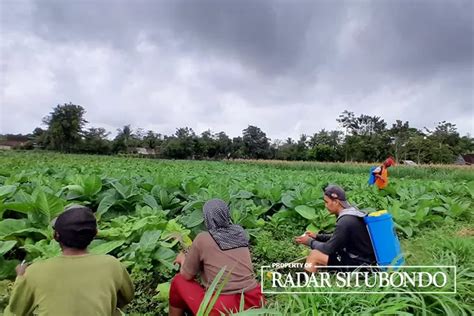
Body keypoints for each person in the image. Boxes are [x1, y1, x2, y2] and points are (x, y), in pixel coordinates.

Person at [5, 206, 134, 316]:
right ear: (95, 234)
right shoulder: (112, 265)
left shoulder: (34, 271)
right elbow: (127, 297)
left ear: (55, 236)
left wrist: (20, 278)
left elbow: (16, 311)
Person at [169, 199, 264, 316]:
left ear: (206, 218)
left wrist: (183, 259)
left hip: (223, 307)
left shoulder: (203, 238)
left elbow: (187, 275)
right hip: (254, 300)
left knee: (179, 281)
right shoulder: (240, 233)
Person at [295, 185, 376, 273]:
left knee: (314, 255)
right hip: (365, 260)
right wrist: (317, 236)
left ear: (336, 202)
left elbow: (328, 248)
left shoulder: (345, 221)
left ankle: (304, 283)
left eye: (326, 202)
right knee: (324, 251)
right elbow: (338, 238)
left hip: (360, 266)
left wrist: (309, 241)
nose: (325, 206)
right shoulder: (352, 213)